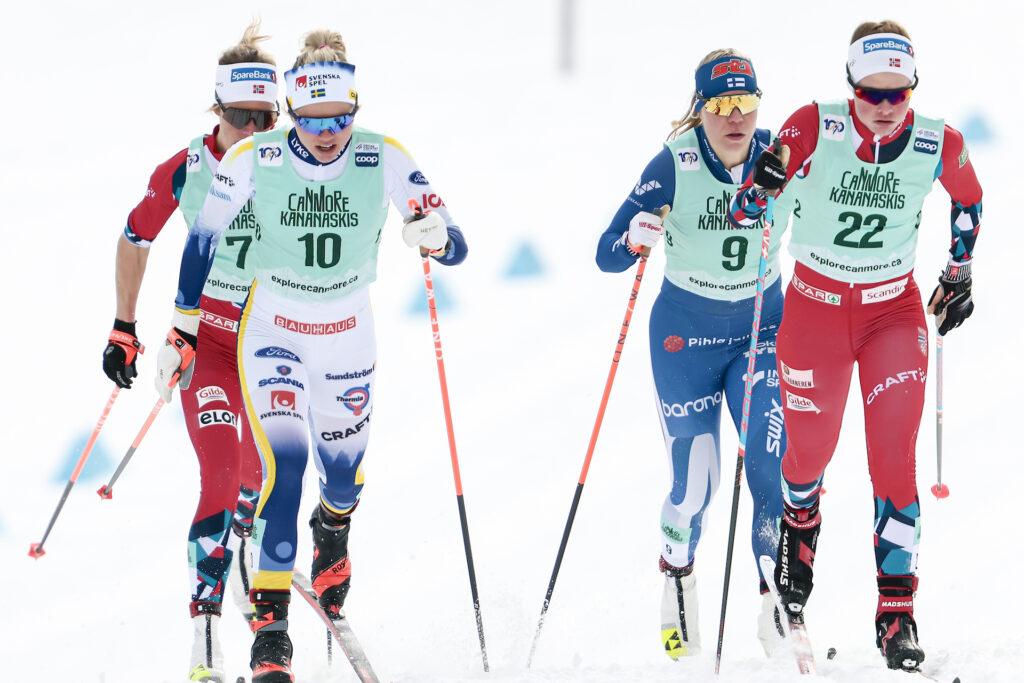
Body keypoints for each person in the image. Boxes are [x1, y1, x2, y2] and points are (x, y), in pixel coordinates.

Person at [153, 29, 468, 683]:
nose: (328, 135)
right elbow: (201, 242)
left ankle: (333, 525)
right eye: (314, 121)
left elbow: (454, 242)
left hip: (347, 336)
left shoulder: (383, 156)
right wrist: (182, 329)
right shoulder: (256, 158)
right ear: (291, 111)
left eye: (340, 120)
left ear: (355, 110)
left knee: (342, 479)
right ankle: (271, 633)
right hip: (272, 330)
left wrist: (436, 235)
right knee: (284, 466)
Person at [729, 20, 981, 672]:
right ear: (851, 86)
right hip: (814, 312)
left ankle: (897, 616)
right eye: (872, 93)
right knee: (806, 462)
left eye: (899, 93)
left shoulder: (937, 141)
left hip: (891, 314)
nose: (885, 107)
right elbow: (746, 212)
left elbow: (969, 198)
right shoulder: (815, 125)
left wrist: (958, 272)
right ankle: (795, 567)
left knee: (893, 460)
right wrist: (761, 184)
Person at [596, 50, 793, 660]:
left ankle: (777, 602)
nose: (734, 117)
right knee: (695, 486)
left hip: (761, 329)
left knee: (771, 465)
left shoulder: (784, 156)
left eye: (745, 103)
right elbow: (606, 253)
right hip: (685, 337)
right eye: (720, 104)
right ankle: (678, 577)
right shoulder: (674, 164)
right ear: (700, 109)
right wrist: (634, 239)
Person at [101, 21, 279, 683]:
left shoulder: (292, 163)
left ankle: (250, 562)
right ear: (217, 111)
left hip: (270, 346)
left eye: (266, 118)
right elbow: (135, 236)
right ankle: (205, 635)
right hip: (208, 347)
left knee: (262, 478)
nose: (253, 131)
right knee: (222, 471)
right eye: (240, 117)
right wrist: (124, 326)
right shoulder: (188, 169)